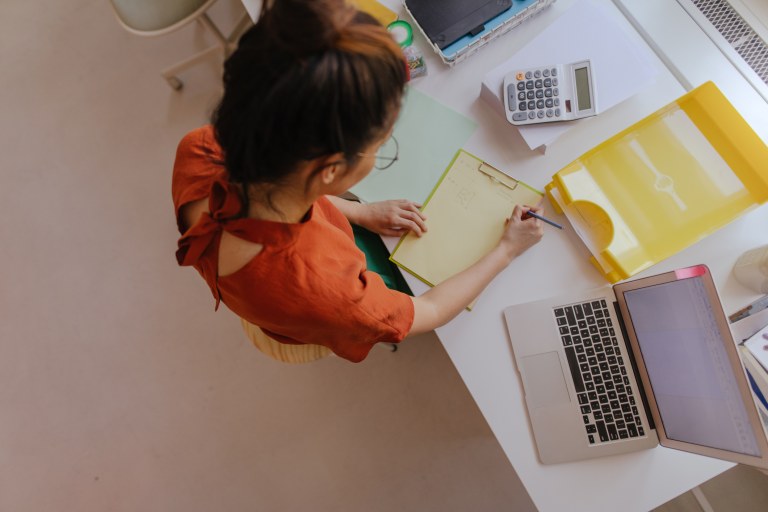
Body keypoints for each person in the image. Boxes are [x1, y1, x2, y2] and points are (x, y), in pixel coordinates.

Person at [172, 0, 545, 363]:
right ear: (330, 170)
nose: (382, 148)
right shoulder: (333, 292)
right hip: (305, 303)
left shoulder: (203, 148)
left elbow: (277, 193)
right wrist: (507, 250)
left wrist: (360, 211)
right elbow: (427, 310)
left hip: (275, 286)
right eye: (382, 146)